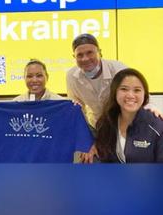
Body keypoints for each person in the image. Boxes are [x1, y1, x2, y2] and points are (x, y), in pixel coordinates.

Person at [66, 33, 162, 162]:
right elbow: (77, 108)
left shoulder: (117, 69)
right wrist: (87, 141)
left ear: (99, 52)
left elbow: (137, 90)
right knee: (91, 160)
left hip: (124, 122)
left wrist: (151, 106)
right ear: (74, 57)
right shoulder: (71, 76)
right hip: (100, 127)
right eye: (80, 55)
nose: (85, 58)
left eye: (90, 53)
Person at [95, 68, 163, 162]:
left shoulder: (157, 126)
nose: (130, 95)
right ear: (115, 92)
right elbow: (103, 161)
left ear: (145, 94)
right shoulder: (105, 124)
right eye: (124, 89)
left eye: (137, 90)